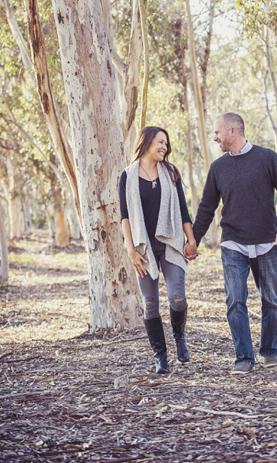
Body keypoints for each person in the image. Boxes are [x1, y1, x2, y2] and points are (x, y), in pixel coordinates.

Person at [186, 112, 277, 375]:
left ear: (233, 131)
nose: (215, 138)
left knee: (271, 301)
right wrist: (193, 241)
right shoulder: (218, 168)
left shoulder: (266, 157)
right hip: (233, 243)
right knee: (235, 301)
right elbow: (206, 208)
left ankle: (269, 351)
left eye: (217, 132)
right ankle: (244, 358)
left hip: (266, 243)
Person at [120, 126, 197, 374]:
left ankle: (179, 338)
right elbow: (125, 218)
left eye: (166, 143)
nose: (164, 147)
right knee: (150, 303)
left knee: (178, 297)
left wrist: (191, 239)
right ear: (147, 142)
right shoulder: (127, 176)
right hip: (144, 248)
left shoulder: (171, 172)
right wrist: (130, 250)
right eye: (160, 142)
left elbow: (183, 210)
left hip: (171, 243)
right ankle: (160, 357)